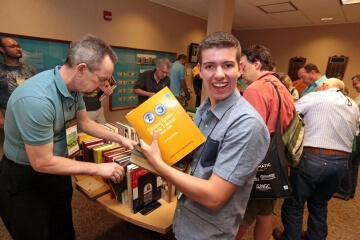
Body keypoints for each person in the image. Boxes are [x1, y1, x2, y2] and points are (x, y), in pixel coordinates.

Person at [0, 34, 137, 240]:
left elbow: (85, 123)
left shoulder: (73, 87)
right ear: (81, 69)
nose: (103, 86)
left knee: (63, 230)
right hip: (25, 178)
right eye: (101, 80)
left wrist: (120, 139)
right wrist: (99, 168)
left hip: (58, 169)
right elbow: (42, 162)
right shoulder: (37, 99)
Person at [139, 31, 270, 240]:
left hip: (209, 233)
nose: (219, 74)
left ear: (240, 69)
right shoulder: (203, 109)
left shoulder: (246, 124)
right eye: (210, 66)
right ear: (199, 70)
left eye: (227, 65)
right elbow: (195, 162)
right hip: (184, 220)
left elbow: (214, 197)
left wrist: (159, 165)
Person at [273, 78, 359, 240]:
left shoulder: (317, 97)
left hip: (313, 158)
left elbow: (289, 112)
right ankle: (315, 237)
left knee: (294, 204)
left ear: (325, 85)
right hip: (341, 163)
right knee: (320, 203)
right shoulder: (353, 105)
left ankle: (290, 238)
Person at [236, 45, 295, 240]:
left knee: (241, 218)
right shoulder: (281, 87)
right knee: (265, 214)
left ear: (257, 63)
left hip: (258, 167)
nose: (240, 72)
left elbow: (250, 134)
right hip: (277, 166)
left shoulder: (256, 89)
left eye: (243, 66)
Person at [0, 37, 37, 157]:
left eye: (18, 46)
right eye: (13, 46)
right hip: (7, 112)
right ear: (2, 49)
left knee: (29, 149)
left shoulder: (30, 69)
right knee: (8, 151)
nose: (18, 49)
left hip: (29, 112)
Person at [333, 74, 360, 201]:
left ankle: (344, 191)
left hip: (357, 135)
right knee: (354, 164)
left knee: (348, 163)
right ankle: (350, 190)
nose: (354, 86)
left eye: (355, 83)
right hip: (357, 134)